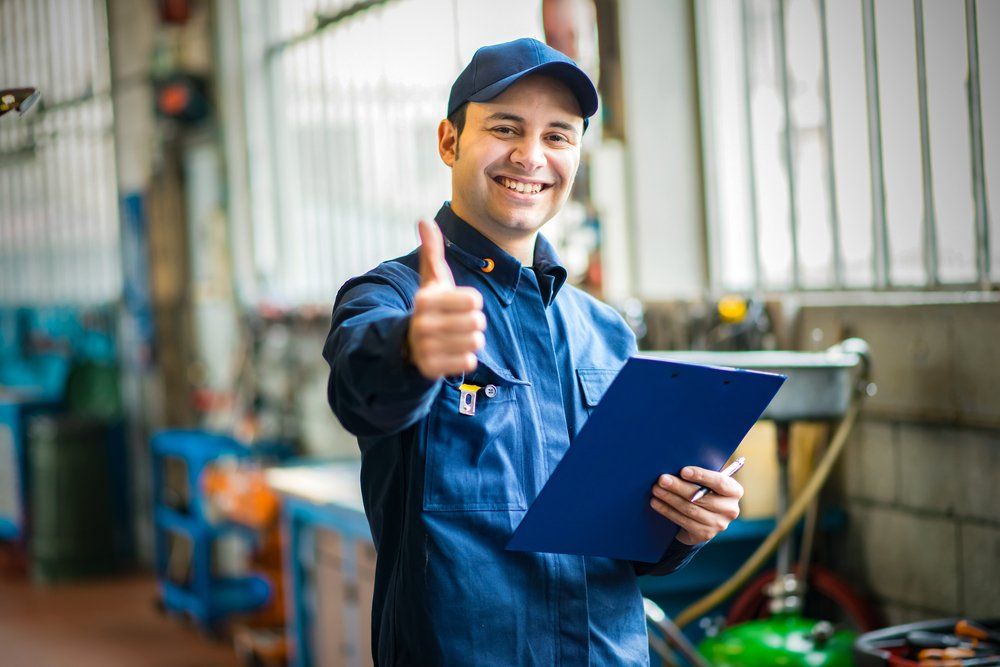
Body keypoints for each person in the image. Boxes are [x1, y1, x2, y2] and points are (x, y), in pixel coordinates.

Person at [324, 37, 743, 665]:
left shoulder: (605, 332)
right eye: (505, 128)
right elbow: (362, 388)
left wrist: (687, 525)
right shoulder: (395, 297)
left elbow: (628, 538)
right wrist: (413, 348)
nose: (531, 157)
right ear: (449, 141)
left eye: (559, 136)